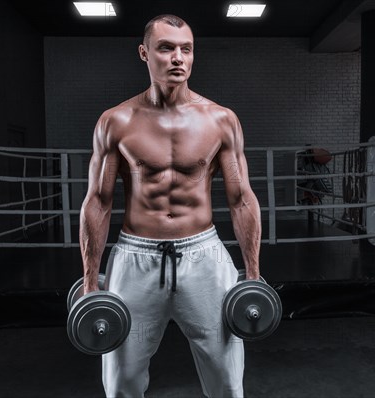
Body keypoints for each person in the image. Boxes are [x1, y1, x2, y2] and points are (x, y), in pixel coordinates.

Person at [79, 14, 261, 397]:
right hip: (135, 258)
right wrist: (91, 279)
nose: (178, 57)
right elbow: (98, 201)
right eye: (166, 48)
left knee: (227, 380)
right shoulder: (116, 121)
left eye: (186, 49)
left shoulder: (221, 120)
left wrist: (254, 271)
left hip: (204, 256)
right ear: (145, 53)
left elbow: (241, 197)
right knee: (121, 381)